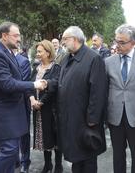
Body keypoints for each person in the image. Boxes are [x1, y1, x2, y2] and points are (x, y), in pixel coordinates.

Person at [0, 21, 46, 173]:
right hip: (3, 114)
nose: (19, 39)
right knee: (9, 151)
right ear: (4, 36)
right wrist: (34, 85)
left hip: (9, 113)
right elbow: (7, 84)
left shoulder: (6, 51)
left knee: (9, 153)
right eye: (16, 35)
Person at [48, 26, 107, 173]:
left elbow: (98, 92)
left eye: (65, 39)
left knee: (87, 158)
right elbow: (62, 81)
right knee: (76, 157)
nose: (63, 43)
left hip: (85, 121)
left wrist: (92, 119)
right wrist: (47, 84)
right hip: (70, 118)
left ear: (75, 39)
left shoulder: (94, 58)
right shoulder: (67, 57)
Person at [105, 24, 135, 173]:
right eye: (116, 41)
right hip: (115, 116)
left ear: (133, 43)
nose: (117, 45)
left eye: (122, 42)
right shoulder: (108, 62)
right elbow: (104, 89)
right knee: (117, 155)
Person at [29, 40, 62, 173]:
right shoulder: (35, 67)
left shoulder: (56, 68)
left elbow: (54, 88)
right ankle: (47, 164)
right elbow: (29, 86)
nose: (37, 54)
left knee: (55, 137)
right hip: (37, 110)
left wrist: (41, 102)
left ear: (48, 53)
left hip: (51, 110)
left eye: (40, 51)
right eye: (37, 51)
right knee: (43, 138)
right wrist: (32, 100)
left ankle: (58, 165)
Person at [12, 47, 32, 173]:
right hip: (7, 105)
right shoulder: (1, 59)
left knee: (24, 134)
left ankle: (25, 161)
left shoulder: (23, 61)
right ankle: (15, 160)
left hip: (21, 103)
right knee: (12, 134)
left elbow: (22, 82)